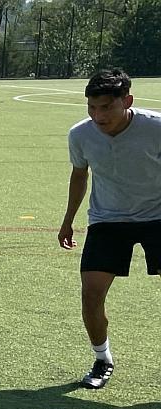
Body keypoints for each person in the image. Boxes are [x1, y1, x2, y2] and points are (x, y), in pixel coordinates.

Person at [59, 68, 161, 389]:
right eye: (92, 107)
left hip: (157, 217)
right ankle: (102, 359)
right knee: (90, 295)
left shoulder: (156, 127)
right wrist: (68, 221)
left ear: (127, 101)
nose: (98, 116)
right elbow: (80, 176)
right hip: (108, 219)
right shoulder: (80, 135)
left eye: (106, 107)